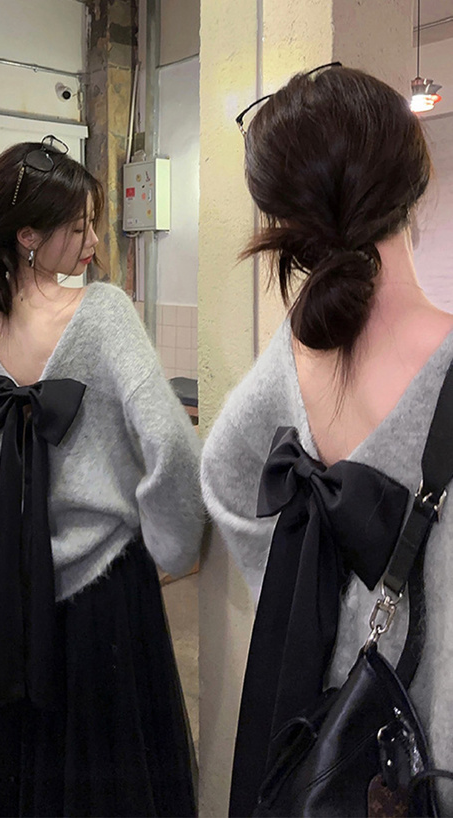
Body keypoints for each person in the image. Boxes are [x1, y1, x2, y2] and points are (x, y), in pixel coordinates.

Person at [0, 136, 203, 818]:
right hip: (107, 591)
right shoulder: (103, 313)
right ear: (28, 237)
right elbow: (173, 446)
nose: (94, 241)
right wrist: (175, 544)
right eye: (79, 227)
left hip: (9, 592)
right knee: (117, 773)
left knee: (26, 769)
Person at [200, 65, 453, 815]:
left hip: (322, 728)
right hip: (425, 764)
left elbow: (224, 471)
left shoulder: (294, 350)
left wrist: (306, 597)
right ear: (413, 184)